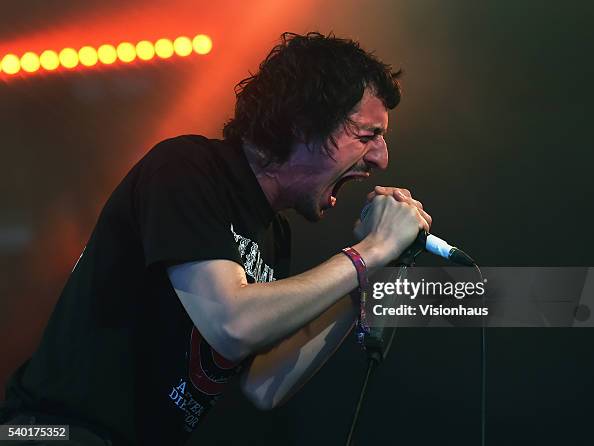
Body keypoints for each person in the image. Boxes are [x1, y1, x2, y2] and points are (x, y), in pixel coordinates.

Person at [0, 32, 431, 445]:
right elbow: (232, 324)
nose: (381, 157)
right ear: (303, 125)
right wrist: (369, 251)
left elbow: (265, 387)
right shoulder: (188, 167)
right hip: (52, 431)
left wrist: (367, 278)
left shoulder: (273, 233)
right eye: (367, 135)